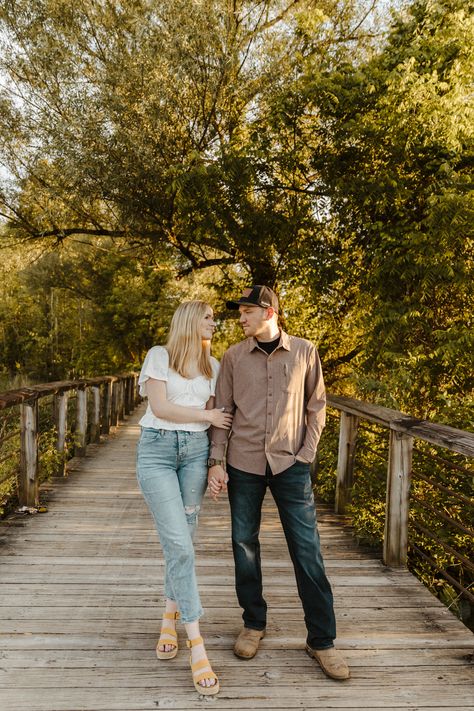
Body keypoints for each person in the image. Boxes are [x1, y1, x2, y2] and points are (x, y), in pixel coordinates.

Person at [207, 285, 350, 681]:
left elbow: (317, 406)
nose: (240, 318)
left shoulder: (305, 351)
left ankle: (322, 641)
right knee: (244, 545)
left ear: (268, 312)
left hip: (291, 465)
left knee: (307, 550)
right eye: (240, 313)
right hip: (244, 463)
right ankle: (254, 623)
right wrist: (216, 461)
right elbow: (222, 410)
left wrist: (306, 455)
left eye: (247, 312)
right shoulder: (233, 357)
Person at [136, 300, 232, 696]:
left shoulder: (215, 366)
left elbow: (214, 421)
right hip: (156, 452)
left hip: (194, 455)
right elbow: (159, 407)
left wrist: (214, 463)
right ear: (191, 321)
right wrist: (207, 417)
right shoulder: (160, 356)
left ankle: (168, 617)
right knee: (180, 545)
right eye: (208, 317)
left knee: (182, 545)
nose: (214, 322)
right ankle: (197, 643)